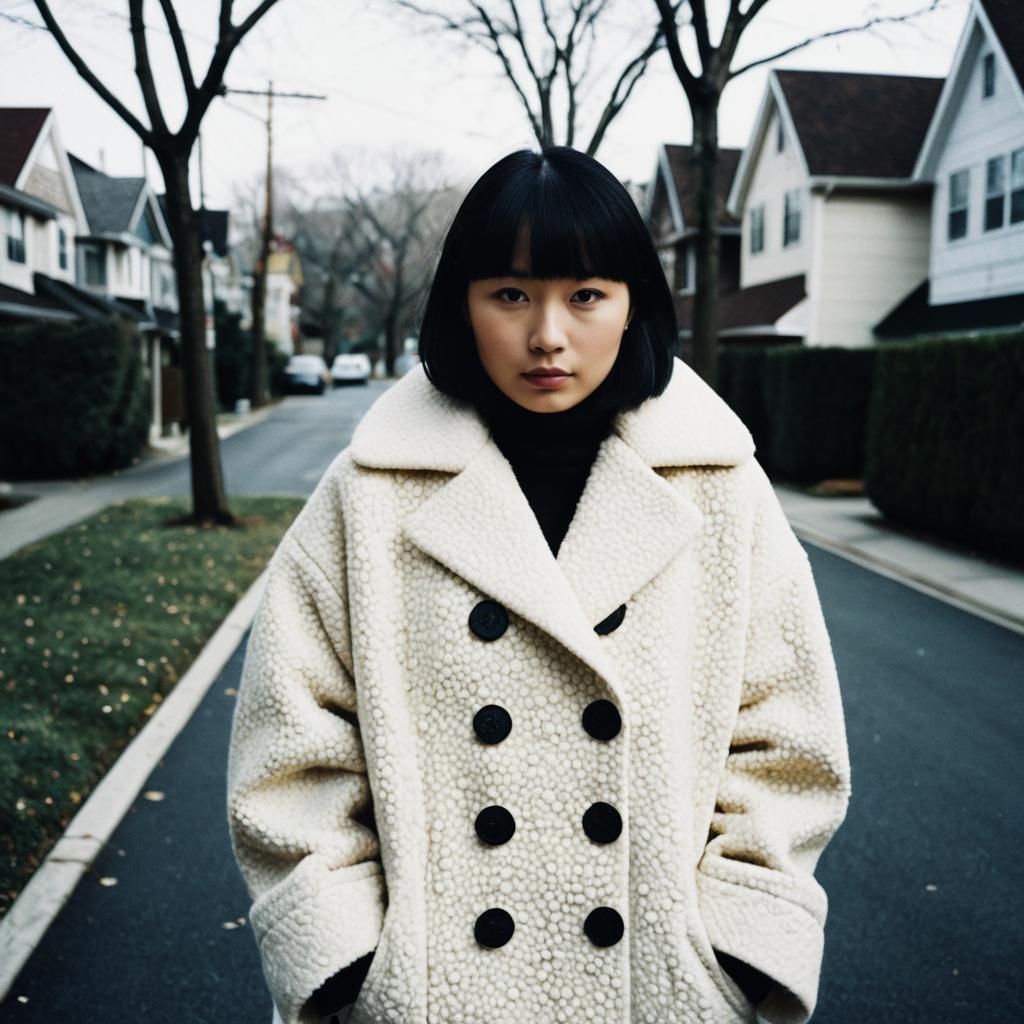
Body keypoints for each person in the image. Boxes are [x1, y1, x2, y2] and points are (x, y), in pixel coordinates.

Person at [227, 146, 851, 1024]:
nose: (548, 334)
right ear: (463, 305)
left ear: (634, 306)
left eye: (586, 295)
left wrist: (741, 946)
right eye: (511, 294)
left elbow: (787, 740)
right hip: (437, 995)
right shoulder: (368, 494)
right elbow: (291, 749)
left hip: (661, 991)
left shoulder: (720, 487)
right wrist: (348, 961)